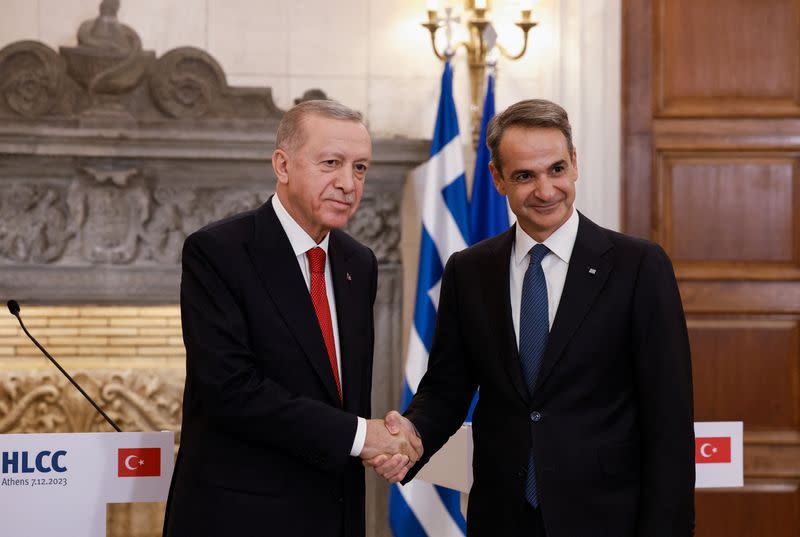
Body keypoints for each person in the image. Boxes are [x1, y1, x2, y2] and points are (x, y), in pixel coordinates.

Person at [369, 99, 695, 537]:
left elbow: (669, 420)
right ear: (498, 179)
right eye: (525, 176)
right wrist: (410, 437)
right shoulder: (469, 270)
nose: (545, 190)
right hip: (502, 519)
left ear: (574, 164)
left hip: (609, 519)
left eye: (556, 169)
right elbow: (447, 387)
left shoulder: (639, 267)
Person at [163, 100, 422, 537]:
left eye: (360, 168)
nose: (348, 184)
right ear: (282, 165)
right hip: (239, 520)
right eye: (331, 163)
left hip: (334, 516)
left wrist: (382, 447)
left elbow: (343, 400)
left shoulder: (359, 263)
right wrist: (363, 436)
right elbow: (230, 391)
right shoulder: (218, 252)